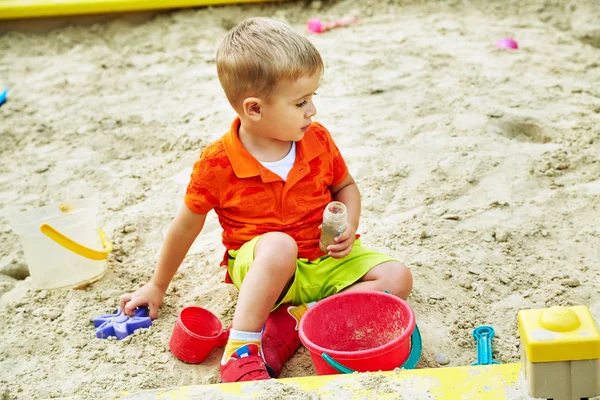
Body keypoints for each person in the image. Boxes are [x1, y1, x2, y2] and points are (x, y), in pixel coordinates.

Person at [119, 17, 413, 383]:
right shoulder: (218, 164)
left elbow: (345, 187)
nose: (312, 111)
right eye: (301, 102)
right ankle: (241, 348)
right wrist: (157, 286)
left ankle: (303, 316)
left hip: (323, 259)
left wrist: (349, 221)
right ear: (254, 109)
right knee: (278, 246)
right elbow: (185, 227)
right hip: (266, 272)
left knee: (397, 277)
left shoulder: (317, 139)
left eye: (312, 99)